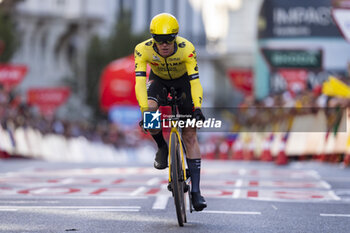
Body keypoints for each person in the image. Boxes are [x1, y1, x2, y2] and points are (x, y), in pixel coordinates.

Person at [134, 13, 207, 211]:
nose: (164, 45)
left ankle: (196, 192)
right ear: (153, 39)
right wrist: (144, 111)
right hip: (158, 81)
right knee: (150, 112)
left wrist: (198, 108)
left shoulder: (187, 49)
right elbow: (139, 83)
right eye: (159, 40)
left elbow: (195, 82)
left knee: (190, 134)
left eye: (169, 40)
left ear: (175, 37)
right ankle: (162, 147)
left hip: (183, 83)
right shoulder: (142, 49)